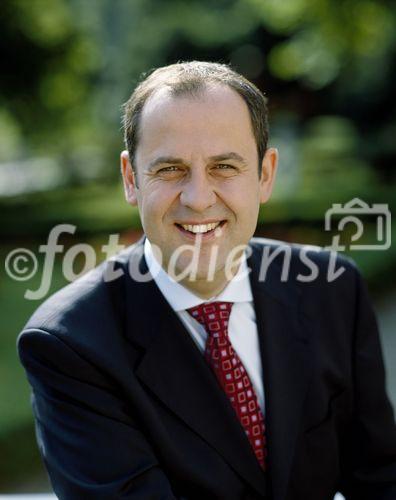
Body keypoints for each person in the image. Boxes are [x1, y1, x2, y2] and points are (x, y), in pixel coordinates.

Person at [18, 61, 396, 500]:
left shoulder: (332, 291)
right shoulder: (70, 344)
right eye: (170, 169)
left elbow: (381, 479)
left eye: (224, 167)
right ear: (130, 179)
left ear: (265, 175)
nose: (198, 199)